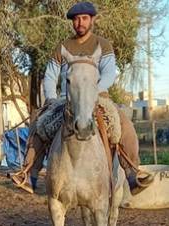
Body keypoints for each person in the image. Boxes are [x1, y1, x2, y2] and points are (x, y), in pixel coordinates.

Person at [11, 1, 153, 195]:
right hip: (66, 99)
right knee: (40, 123)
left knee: (124, 125)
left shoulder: (103, 45)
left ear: (92, 20)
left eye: (84, 18)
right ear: (72, 22)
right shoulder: (62, 47)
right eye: (76, 19)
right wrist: (51, 99)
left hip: (98, 97)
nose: (80, 22)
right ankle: (29, 173)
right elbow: (51, 76)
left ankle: (132, 173)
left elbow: (109, 75)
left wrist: (91, 93)